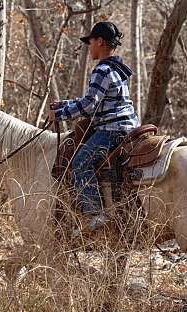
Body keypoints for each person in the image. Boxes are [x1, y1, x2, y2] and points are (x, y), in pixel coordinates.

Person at [48, 21, 140, 233]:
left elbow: (90, 105)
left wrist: (59, 115)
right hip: (128, 127)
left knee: (80, 163)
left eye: (90, 42)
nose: (89, 47)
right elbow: (94, 100)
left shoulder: (102, 69)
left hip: (111, 130)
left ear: (99, 41)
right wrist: (65, 104)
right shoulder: (118, 68)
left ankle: (94, 214)